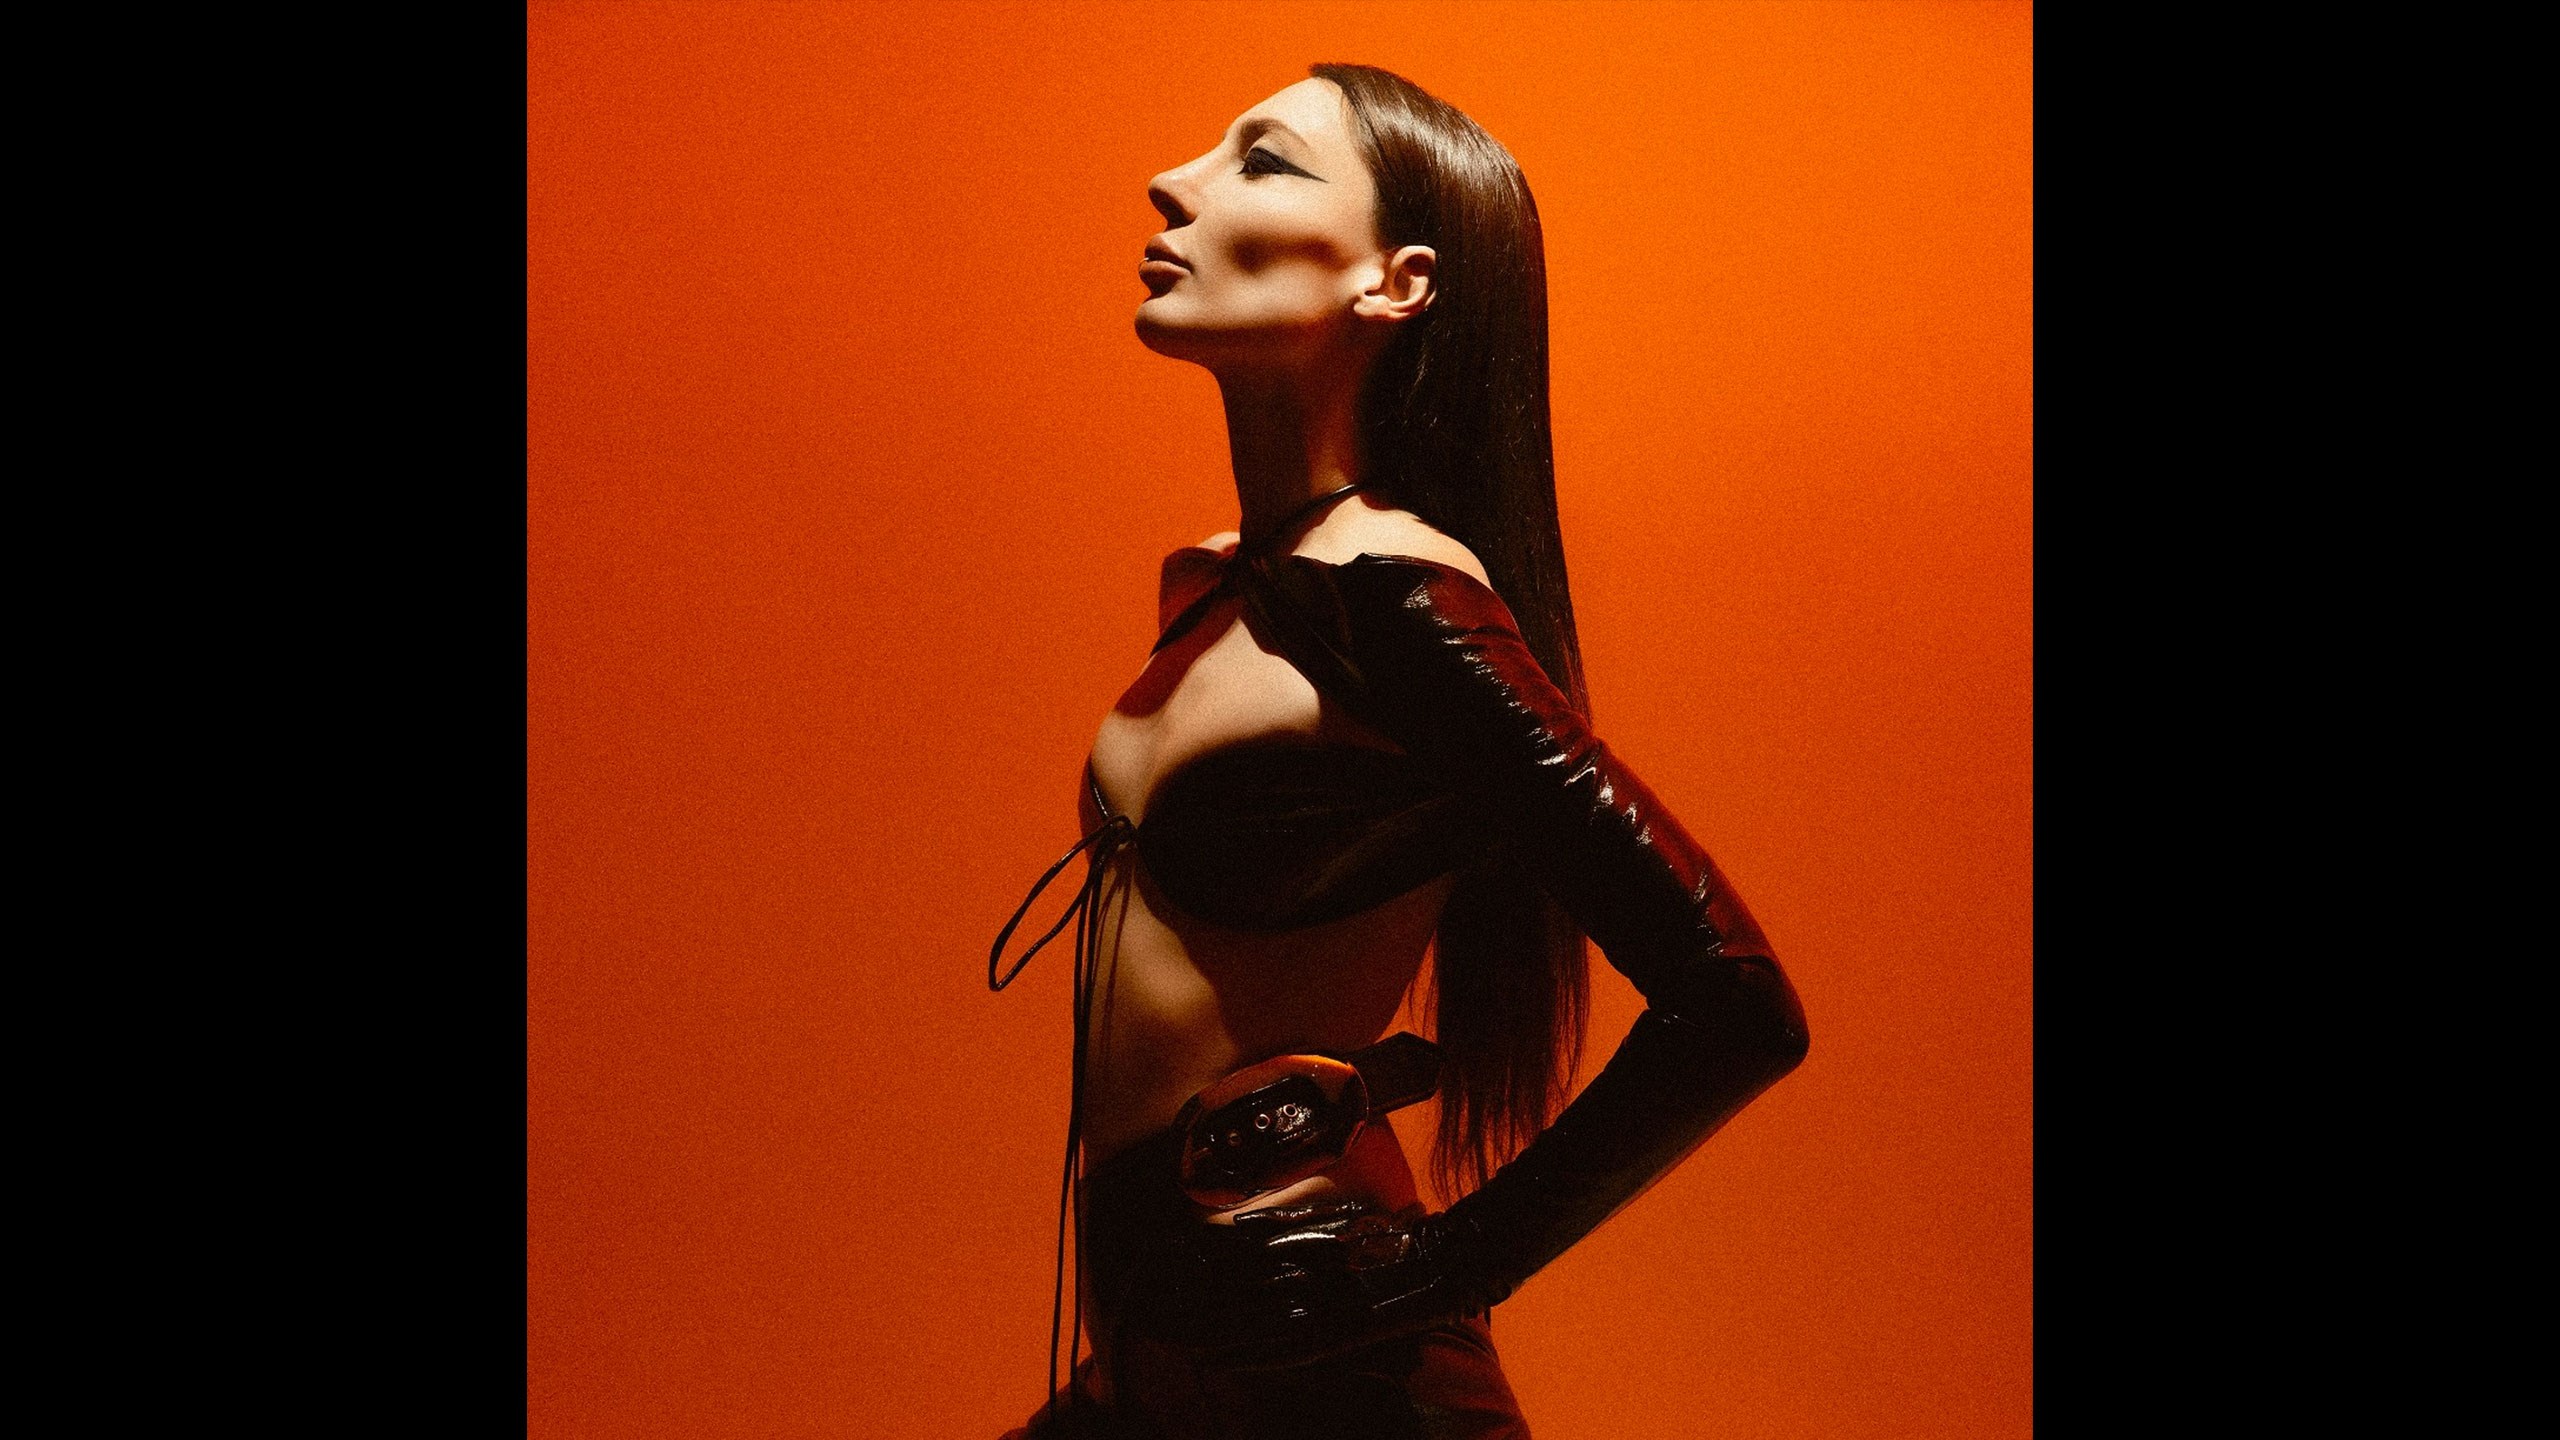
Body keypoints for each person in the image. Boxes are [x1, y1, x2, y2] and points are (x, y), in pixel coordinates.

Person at [992, 63, 1808, 1440]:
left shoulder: (1400, 604)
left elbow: (1736, 1000)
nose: (1174, 182)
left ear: (1398, 281)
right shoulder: (1218, 584)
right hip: (1157, 1365)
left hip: (1340, 1394)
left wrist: (1444, 1268)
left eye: (1263, 160)